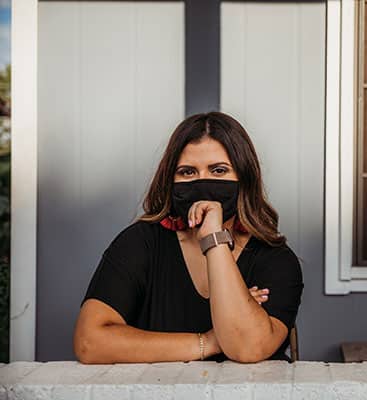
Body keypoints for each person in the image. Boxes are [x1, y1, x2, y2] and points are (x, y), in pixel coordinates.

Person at [73, 111, 304, 364]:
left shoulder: (275, 259)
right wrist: (209, 341)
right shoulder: (140, 243)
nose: (202, 182)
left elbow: (247, 348)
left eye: (218, 170)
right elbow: (90, 343)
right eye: (187, 172)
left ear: (244, 178)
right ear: (170, 179)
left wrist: (214, 237)